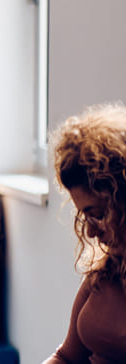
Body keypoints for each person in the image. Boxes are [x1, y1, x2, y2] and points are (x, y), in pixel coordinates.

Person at [44, 103, 126, 362]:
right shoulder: (106, 271)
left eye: (99, 214)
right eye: (85, 216)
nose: (90, 231)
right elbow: (66, 357)